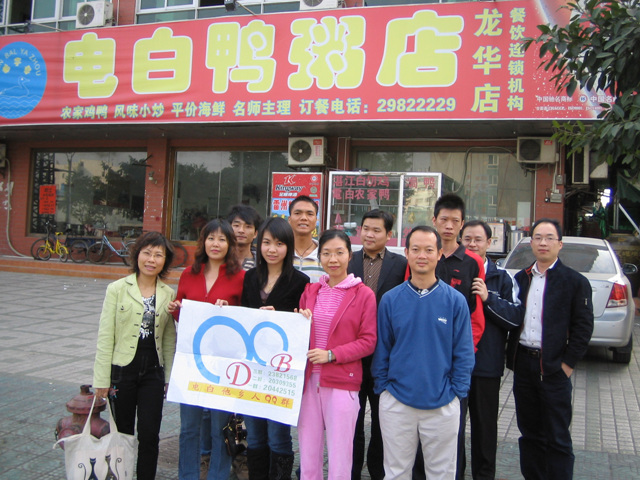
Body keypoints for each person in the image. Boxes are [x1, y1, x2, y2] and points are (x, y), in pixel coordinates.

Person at [372, 226, 475, 480]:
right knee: (396, 472)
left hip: (442, 403)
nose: (422, 255)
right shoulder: (390, 300)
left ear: (439, 254)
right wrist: (384, 388)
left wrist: (456, 392)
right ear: (406, 253)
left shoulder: (455, 301)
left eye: (429, 250)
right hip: (397, 401)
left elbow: (464, 353)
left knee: (442, 474)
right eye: (415, 249)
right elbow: (382, 348)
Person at [507, 218, 594, 480]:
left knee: (557, 436)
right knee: (530, 434)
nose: (543, 243)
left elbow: (583, 328)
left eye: (549, 238)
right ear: (531, 242)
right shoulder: (521, 278)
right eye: (537, 237)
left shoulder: (574, 281)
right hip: (524, 365)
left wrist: (567, 365)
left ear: (560, 244)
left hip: (554, 368)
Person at [411, 193, 485, 480]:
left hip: (452, 364)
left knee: (453, 433)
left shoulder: (472, 262)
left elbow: (475, 318)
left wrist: (462, 359)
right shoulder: (421, 256)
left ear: (462, 224)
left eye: (455, 221)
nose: (449, 226)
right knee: (417, 431)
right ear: (434, 220)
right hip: (420, 362)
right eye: (444, 219)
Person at [93, 231, 177, 480]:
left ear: (165, 261)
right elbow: (105, 336)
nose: (151, 259)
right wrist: (101, 379)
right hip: (122, 370)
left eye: (158, 255)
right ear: (137, 255)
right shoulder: (117, 289)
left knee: (150, 434)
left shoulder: (168, 293)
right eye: (147, 253)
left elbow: (169, 339)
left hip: (153, 371)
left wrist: (169, 378)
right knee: (123, 434)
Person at [168, 219, 246, 480]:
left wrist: (230, 311)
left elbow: (245, 320)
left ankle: (217, 476)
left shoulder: (240, 277)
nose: (216, 244)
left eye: (222, 239)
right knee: (189, 427)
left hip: (223, 364)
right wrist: (175, 309)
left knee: (219, 427)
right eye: (211, 238)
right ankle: (187, 476)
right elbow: (183, 316)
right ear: (203, 242)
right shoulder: (188, 274)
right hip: (191, 362)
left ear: (230, 244)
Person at [297, 229, 377, 480]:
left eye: (339, 252)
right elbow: (298, 335)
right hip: (308, 382)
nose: (333, 259)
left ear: (350, 256)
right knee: (308, 454)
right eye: (326, 253)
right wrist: (299, 321)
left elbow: (368, 341)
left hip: (342, 382)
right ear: (319, 257)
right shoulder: (310, 291)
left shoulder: (363, 294)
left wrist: (331, 354)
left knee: (340, 457)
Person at [240, 217, 310, 480]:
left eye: (279, 244)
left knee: (278, 436)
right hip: (252, 368)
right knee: (255, 435)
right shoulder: (250, 277)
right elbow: (241, 315)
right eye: (267, 243)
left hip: (281, 371)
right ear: (259, 244)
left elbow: (302, 320)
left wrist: (282, 315)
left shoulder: (300, 281)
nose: (272, 249)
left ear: (288, 247)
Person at [460, 220, 524, 480]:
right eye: (467, 239)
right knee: (452, 429)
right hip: (455, 366)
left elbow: (515, 318)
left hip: (487, 366)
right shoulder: (452, 270)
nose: (472, 244)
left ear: (489, 243)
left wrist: (489, 299)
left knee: (485, 429)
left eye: (478, 239)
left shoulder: (502, 277)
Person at [348, 209, 407, 480]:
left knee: (384, 421)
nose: (369, 235)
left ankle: (377, 472)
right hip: (353, 353)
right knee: (353, 419)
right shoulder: (349, 259)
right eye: (366, 229)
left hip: (386, 354)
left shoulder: (400, 264)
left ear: (389, 234)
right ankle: (351, 472)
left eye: (376, 230)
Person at [288, 195, 324, 283]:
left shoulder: (325, 255)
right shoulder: (280, 253)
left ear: (316, 220)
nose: (304, 218)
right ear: (289, 219)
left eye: (310, 214)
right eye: (297, 213)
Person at [228, 204, 263, 270]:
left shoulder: (262, 264)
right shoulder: (220, 260)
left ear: (255, 233)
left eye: (248, 227)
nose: (241, 230)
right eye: (236, 225)